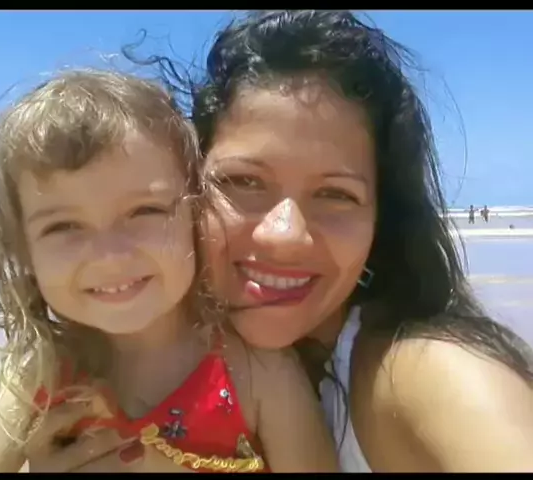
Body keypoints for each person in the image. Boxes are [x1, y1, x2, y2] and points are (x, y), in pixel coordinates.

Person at [30, 10, 533, 473]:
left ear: (382, 218)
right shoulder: (115, 354)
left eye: (336, 194)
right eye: (244, 181)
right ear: (185, 191)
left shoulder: (431, 376)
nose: (284, 234)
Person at [0, 69, 336, 473]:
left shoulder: (256, 371)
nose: (109, 256)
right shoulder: (38, 375)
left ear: (196, 213)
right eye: (63, 226)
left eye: (145, 211)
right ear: (23, 248)